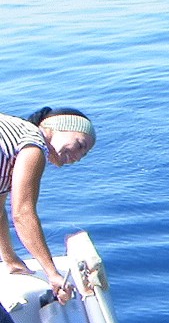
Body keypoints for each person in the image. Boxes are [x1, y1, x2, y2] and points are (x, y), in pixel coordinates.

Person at [1, 107, 97, 304]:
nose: (78, 157)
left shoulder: (13, 146)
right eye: (79, 145)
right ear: (54, 126)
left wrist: (11, 260)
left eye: (84, 155)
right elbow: (23, 214)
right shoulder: (33, 144)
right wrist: (52, 274)